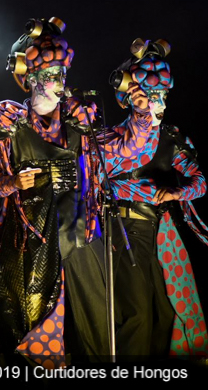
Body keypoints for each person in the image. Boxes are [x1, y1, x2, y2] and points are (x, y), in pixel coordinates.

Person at [0, 17, 150, 367]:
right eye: (51, 75)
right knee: (36, 333)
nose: (60, 82)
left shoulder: (78, 121)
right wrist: (13, 183)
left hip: (80, 234)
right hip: (32, 243)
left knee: (97, 324)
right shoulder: (8, 123)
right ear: (30, 78)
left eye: (62, 74)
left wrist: (142, 113)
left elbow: (125, 148)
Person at [104, 39, 207, 357]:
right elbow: (113, 167)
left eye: (161, 93)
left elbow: (200, 181)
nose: (156, 101)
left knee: (168, 311)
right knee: (138, 313)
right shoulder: (113, 139)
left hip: (162, 231)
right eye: (148, 95)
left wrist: (178, 191)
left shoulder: (171, 138)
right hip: (124, 229)